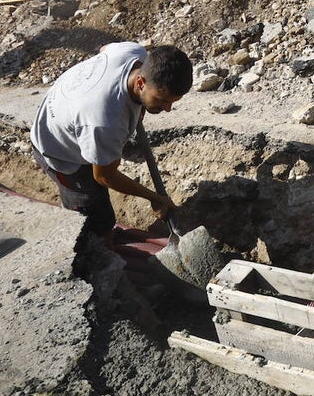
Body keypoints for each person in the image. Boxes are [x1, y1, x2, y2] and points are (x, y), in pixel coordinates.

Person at [31, 42, 193, 244]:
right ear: (140, 82)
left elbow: (104, 49)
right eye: (161, 100)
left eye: (172, 102)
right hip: (58, 148)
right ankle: (91, 259)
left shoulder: (132, 52)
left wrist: (141, 106)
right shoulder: (106, 122)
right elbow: (104, 177)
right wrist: (154, 197)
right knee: (95, 224)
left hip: (73, 117)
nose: (168, 109)